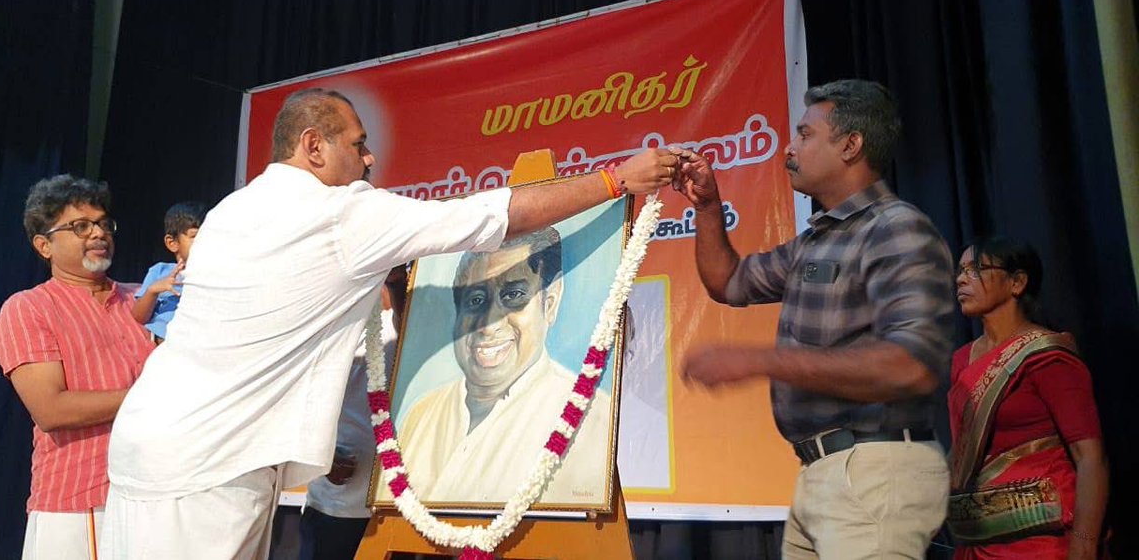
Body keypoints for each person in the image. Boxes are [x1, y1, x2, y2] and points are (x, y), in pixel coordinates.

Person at [100, 88, 677, 559]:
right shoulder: (340, 213)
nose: (370, 158)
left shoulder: (230, 211)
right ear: (313, 146)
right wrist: (615, 181)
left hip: (148, 446)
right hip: (209, 469)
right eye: (358, 144)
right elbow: (493, 217)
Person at [672, 79, 954, 559]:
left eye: (805, 134)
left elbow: (913, 366)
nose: (790, 146)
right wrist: (706, 205)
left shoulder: (896, 228)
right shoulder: (818, 239)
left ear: (851, 145)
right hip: (824, 472)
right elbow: (729, 281)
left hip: (873, 470)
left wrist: (763, 360)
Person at [0, 175, 156, 560]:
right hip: (80, 503)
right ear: (44, 245)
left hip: (155, 497)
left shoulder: (144, 298)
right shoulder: (28, 308)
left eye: (103, 223)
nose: (98, 233)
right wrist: (153, 397)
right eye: (80, 226)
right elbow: (51, 409)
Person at [396, 227, 610, 504]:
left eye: (513, 295)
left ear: (550, 302)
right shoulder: (421, 416)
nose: (489, 324)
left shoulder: (591, 421)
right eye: (475, 300)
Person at [947, 237, 1107, 559]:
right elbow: (962, 451)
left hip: (1042, 542)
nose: (961, 279)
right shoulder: (961, 360)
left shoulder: (1047, 356)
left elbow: (1091, 458)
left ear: (1017, 282)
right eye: (961, 270)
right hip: (978, 541)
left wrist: (1085, 544)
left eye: (977, 269)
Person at [298, 266, 406, 560]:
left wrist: (397, 284)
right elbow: (295, 407)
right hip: (335, 506)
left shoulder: (406, 328)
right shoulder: (324, 333)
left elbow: (404, 320)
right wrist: (321, 457)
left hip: (396, 507)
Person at [131, 201, 207, 342]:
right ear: (172, 243)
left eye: (209, 236)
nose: (205, 241)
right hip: (165, 343)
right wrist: (153, 290)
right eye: (195, 236)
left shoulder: (215, 274)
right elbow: (139, 316)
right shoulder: (160, 271)